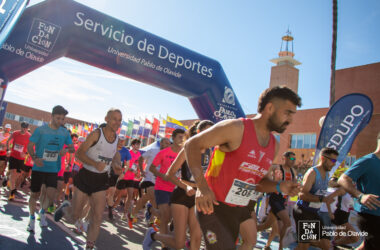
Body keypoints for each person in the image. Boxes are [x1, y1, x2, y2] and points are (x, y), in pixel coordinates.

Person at [184, 86, 301, 250]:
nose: (290, 120)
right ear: (270, 108)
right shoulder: (236, 128)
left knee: (247, 243)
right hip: (212, 207)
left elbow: (259, 182)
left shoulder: (274, 145)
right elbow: (191, 145)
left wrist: (280, 186)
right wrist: (202, 187)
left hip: (239, 209)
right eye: (287, 112)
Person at [54, 108, 123, 249]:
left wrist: (116, 164)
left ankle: (89, 246)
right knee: (75, 216)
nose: (117, 122)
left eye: (120, 120)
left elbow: (115, 153)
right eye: (114, 119)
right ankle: (65, 208)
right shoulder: (96, 134)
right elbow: (79, 154)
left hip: (101, 180)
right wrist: (94, 163)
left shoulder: (117, 138)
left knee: (97, 217)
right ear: (107, 119)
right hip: (85, 176)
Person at [143, 120, 214, 250]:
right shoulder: (187, 149)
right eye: (206, 132)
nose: (210, 135)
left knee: (196, 237)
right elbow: (170, 174)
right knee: (179, 243)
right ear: (199, 133)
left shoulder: (212, 153)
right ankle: (153, 235)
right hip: (181, 195)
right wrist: (186, 186)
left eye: (212, 132)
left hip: (198, 197)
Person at [26, 105, 74, 232]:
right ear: (51, 116)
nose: (60, 121)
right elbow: (30, 146)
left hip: (53, 170)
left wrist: (66, 150)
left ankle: (42, 212)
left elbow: (72, 148)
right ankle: (31, 218)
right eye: (58, 118)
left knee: (50, 196)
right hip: (39, 168)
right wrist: (35, 158)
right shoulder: (41, 130)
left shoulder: (64, 132)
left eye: (62, 119)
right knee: (34, 195)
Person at [338, 131, 380, 250]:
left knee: (367, 247)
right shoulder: (368, 161)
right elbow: (343, 179)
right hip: (371, 215)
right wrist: (361, 196)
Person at [145, 128, 186, 250]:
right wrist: (162, 175)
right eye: (179, 137)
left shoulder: (185, 153)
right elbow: (152, 168)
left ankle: (151, 209)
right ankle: (164, 246)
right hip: (162, 187)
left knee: (168, 217)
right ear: (173, 138)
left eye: (184, 137)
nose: (182, 139)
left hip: (177, 189)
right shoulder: (163, 152)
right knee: (165, 217)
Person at [293, 147, 339, 250]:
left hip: (314, 213)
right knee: (304, 246)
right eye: (332, 160)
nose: (334, 163)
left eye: (335, 161)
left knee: (326, 245)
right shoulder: (312, 173)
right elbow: (302, 194)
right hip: (303, 211)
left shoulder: (327, 174)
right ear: (323, 158)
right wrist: (322, 199)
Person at [130, 137, 171, 223]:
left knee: (153, 199)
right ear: (161, 143)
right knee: (152, 195)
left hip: (159, 180)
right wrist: (141, 171)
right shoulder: (153, 151)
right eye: (166, 143)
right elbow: (141, 159)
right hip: (149, 177)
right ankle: (147, 213)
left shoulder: (168, 155)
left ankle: (148, 219)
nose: (168, 145)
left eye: (169, 143)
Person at [267, 151, 297, 248]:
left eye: (294, 159)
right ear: (285, 158)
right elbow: (273, 183)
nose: (293, 161)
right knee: (287, 222)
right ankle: (281, 248)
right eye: (292, 159)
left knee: (270, 226)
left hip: (283, 201)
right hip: (275, 198)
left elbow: (294, 185)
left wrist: (296, 188)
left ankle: (267, 246)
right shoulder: (278, 168)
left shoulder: (293, 171)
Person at [107, 134, 131, 220]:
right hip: (106, 171)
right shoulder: (111, 147)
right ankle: (107, 208)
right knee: (106, 192)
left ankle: (110, 208)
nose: (121, 142)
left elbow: (127, 164)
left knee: (112, 192)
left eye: (123, 141)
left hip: (116, 173)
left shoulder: (126, 151)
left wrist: (123, 172)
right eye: (120, 140)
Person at [6, 122, 31, 200]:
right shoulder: (15, 133)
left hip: (21, 159)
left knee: (18, 175)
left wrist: (26, 154)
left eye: (26, 128)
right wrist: (8, 150)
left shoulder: (29, 136)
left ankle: (8, 180)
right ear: (21, 127)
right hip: (13, 156)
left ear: (27, 129)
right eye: (23, 127)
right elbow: (7, 142)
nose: (24, 129)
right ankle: (12, 193)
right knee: (13, 174)